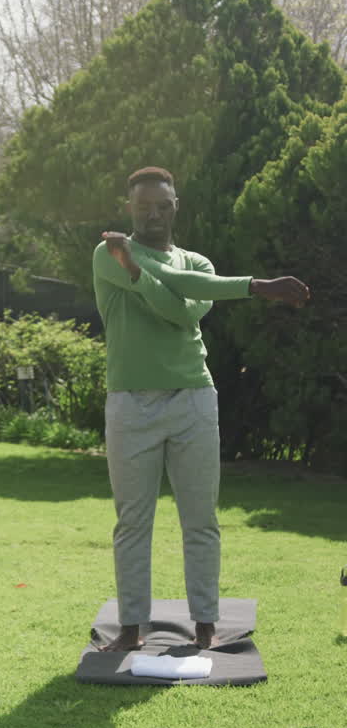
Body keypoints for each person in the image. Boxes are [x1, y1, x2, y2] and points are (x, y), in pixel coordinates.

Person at [93, 165, 309, 652]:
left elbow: (179, 309)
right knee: (133, 523)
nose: (152, 215)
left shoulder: (199, 264)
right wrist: (256, 286)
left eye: (161, 206)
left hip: (192, 399)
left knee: (201, 520)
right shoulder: (107, 252)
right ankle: (130, 629)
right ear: (129, 208)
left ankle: (206, 624)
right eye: (143, 206)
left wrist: (137, 273)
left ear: (176, 207)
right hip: (130, 404)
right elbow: (172, 284)